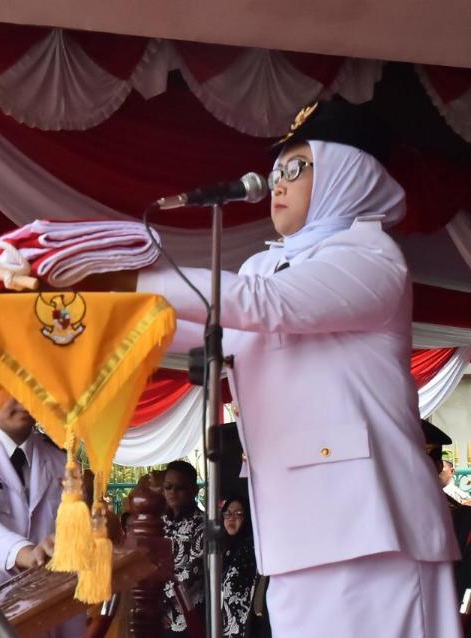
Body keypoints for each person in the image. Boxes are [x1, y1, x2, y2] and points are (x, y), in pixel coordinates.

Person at [135, 100, 460, 636]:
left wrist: (119, 281)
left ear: (345, 174)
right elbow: (191, 325)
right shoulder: (265, 267)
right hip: (291, 533)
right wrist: (78, 315)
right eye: (275, 171)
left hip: (372, 529)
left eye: (296, 168)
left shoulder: (371, 257)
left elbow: (264, 304)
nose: (276, 184)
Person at [0, 396, 84, 636]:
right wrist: (22, 552)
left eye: (31, 388)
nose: (24, 399)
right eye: (8, 389)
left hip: (49, 616)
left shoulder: (62, 462)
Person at [161, 460, 205, 637]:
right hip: (152, 611)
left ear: (194, 490)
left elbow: (193, 572)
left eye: (180, 488)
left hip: (187, 615)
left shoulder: (203, 524)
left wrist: (162, 603)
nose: (172, 492)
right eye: (168, 487)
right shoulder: (157, 522)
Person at [219, 495, 256, 638]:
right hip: (220, 623)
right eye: (227, 513)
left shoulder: (252, 550)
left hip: (243, 626)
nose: (231, 518)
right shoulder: (220, 548)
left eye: (238, 514)